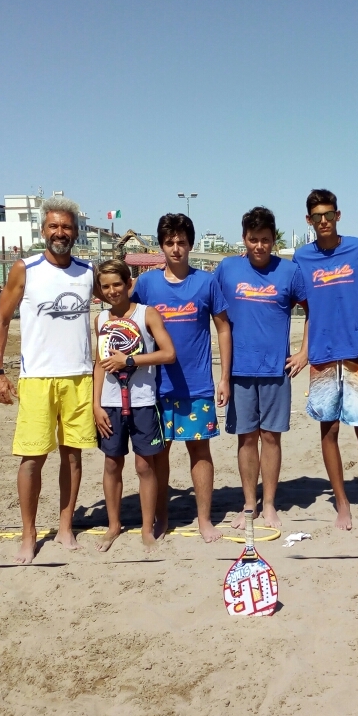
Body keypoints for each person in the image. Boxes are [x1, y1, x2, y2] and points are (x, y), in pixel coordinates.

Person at [0, 196, 96, 564]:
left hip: (79, 378)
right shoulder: (25, 269)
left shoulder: (87, 272)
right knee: (32, 458)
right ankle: (29, 533)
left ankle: (66, 526)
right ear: (42, 230)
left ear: (76, 232)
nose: (60, 232)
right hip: (36, 379)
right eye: (54, 226)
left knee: (72, 457)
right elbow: (1, 318)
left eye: (66, 226)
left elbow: (118, 300)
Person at [132, 213, 231, 543]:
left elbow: (223, 328)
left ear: (191, 244)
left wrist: (224, 377)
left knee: (199, 452)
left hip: (197, 385)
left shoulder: (206, 282)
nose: (176, 248)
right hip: (155, 386)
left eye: (182, 242)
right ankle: (162, 518)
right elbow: (126, 318)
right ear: (162, 246)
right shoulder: (147, 284)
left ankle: (204, 519)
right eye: (170, 242)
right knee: (159, 454)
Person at [292, 189, 358, 529]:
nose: (323, 221)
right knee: (328, 429)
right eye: (316, 217)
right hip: (321, 355)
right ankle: (342, 503)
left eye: (328, 215)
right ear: (308, 221)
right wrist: (303, 350)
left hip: (357, 353)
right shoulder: (301, 258)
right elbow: (299, 307)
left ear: (338, 215)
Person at [214, 206, 308, 529]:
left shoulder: (289, 272)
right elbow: (209, 310)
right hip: (238, 371)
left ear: (273, 239)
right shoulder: (227, 269)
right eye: (253, 239)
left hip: (276, 371)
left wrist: (304, 352)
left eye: (265, 240)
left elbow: (313, 310)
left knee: (271, 438)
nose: (259, 246)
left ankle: (269, 504)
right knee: (245, 438)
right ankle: (249, 505)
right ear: (244, 239)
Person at [92, 259, 177, 550]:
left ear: (129, 284)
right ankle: (114, 525)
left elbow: (168, 354)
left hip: (143, 402)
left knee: (144, 466)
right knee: (112, 464)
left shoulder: (147, 314)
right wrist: (96, 404)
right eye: (105, 286)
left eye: (117, 284)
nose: (112, 290)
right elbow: (99, 364)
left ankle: (146, 527)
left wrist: (129, 360)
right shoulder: (101, 320)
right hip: (110, 405)